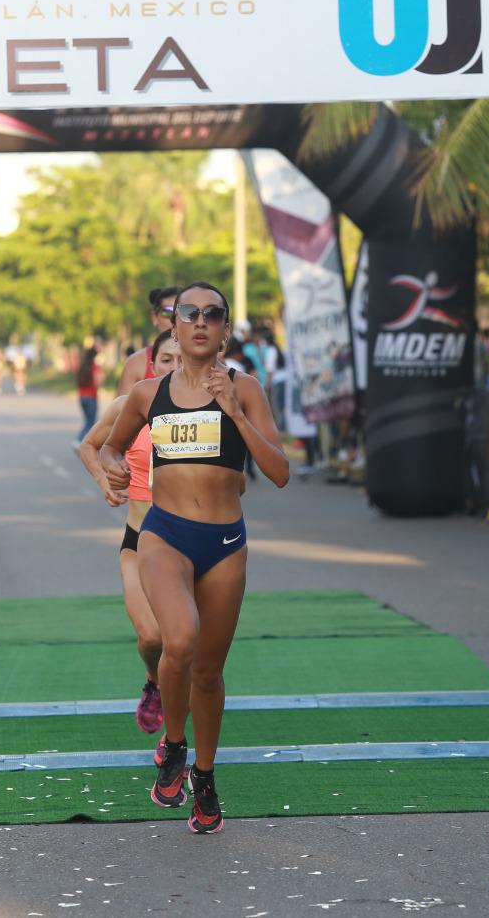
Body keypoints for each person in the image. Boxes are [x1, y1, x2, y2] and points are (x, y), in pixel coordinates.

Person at [101, 282, 290, 835]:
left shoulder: (245, 388)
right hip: (165, 535)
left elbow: (278, 472)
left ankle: (203, 778)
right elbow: (111, 445)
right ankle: (175, 745)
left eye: (213, 314)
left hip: (226, 542)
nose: (201, 322)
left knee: (209, 671)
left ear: (226, 329)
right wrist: (112, 467)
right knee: (178, 639)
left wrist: (234, 412)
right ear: (174, 327)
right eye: (190, 313)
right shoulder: (147, 394)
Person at [77, 329, 181, 735]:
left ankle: (176, 739)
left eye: (180, 357)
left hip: (188, 543)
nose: (174, 366)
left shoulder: (206, 410)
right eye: (166, 360)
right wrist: (105, 480)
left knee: (184, 645)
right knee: (152, 637)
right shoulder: (130, 405)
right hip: (139, 539)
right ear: (153, 365)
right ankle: (154, 681)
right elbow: (91, 445)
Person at [115, 287, 178, 395]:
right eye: (167, 312)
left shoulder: (206, 360)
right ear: (154, 317)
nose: (174, 319)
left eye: (181, 312)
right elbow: (120, 410)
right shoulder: (136, 363)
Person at [75, 338, 101, 443]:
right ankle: (80, 440)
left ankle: (84, 441)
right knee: (90, 422)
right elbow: (97, 382)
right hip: (91, 397)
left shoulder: (82, 366)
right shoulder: (94, 367)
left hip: (82, 397)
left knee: (87, 421)